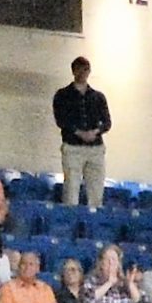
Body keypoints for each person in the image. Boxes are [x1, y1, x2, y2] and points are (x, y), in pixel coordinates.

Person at [52, 57, 111, 208]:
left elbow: (107, 122)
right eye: (79, 69)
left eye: (85, 69)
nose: (83, 72)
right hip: (73, 147)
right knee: (71, 190)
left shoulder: (98, 97)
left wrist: (95, 132)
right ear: (73, 71)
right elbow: (61, 120)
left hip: (95, 149)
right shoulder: (62, 95)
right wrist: (79, 132)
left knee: (96, 192)